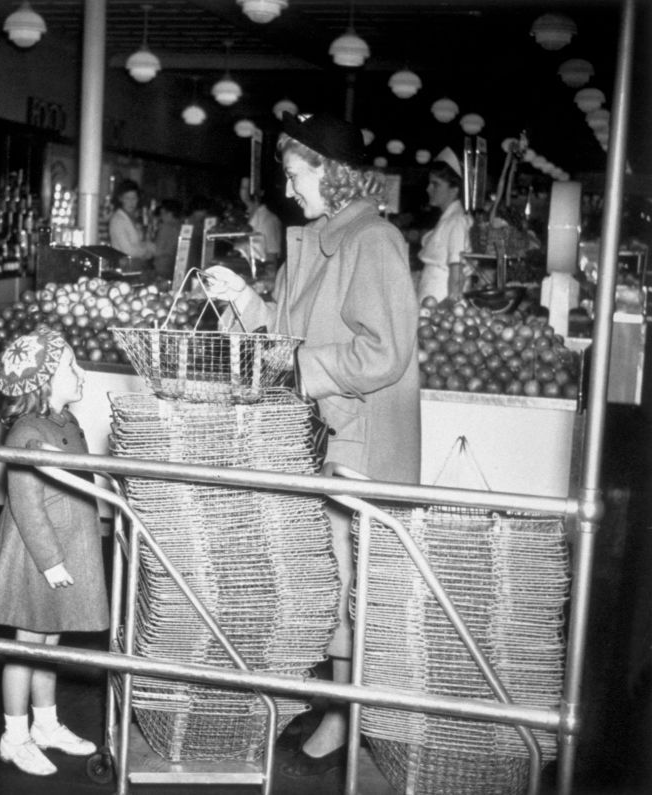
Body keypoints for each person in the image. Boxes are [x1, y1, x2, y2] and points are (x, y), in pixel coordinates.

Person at [204, 111, 421, 779]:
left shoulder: (373, 241)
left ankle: (351, 715)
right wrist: (243, 299)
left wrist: (302, 366)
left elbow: (383, 352)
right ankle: (337, 700)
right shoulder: (324, 238)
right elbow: (289, 332)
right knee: (332, 578)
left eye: (296, 175)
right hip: (327, 428)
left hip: (359, 436)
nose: (288, 190)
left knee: (350, 582)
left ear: (331, 171)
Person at [0, 326, 109, 777]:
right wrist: (51, 562)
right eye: (70, 366)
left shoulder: (66, 422)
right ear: (43, 382)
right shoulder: (27, 433)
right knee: (27, 645)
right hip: (36, 556)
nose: (81, 372)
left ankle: (47, 724)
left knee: (51, 641)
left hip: (69, 544)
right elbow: (28, 506)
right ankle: (15, 736)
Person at [417, 147, 472, 303]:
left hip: (441, 303)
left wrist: (449, 306)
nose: (428, 189)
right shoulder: (448, 218)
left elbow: (457, 267)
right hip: (431, 301)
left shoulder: (457, 221)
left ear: (454, 189)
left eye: (435, 184)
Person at [107, 178, 155, 268]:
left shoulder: (133, 217)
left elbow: (141, 242)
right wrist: (146, 251)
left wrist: (147, 248)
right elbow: (128, 250)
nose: (131, 202)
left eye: (134, 198)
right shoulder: (118, 220)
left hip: (135, 266)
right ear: (120, 199)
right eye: (127, 198)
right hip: (123, 268)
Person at [239, 176, 283, 269]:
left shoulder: (269, 220)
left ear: (261, 192)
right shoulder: (242, 217)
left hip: (259, 276)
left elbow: (272, 259)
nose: (244, 193)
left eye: (247, 189)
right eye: (242, 188)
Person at [151, 198, 184, 280]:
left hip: (162, 268)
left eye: (162, 213)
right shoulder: (180, 226)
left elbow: (157, 251)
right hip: (174, 267)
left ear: (169, 213)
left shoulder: (166, 227)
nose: (160, 217)